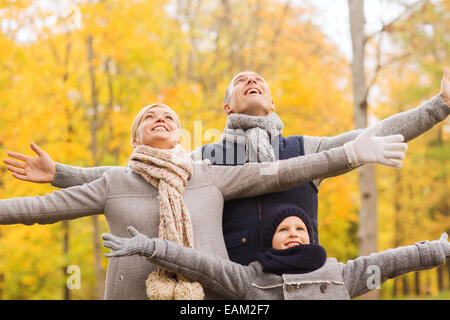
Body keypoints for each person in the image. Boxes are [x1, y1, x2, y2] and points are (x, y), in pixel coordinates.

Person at [4, 69, 449, 265]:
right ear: (226, 105)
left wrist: (440, 106)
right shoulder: (203, 159)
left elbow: (374, 135)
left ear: (273, 102)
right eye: (241, 82)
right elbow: (133, 179)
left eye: (259, 81)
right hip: (228, 283)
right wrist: (62, 173)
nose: (251, 82)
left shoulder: (305, 148)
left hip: (297, 274)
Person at [0, 103, 406, 300]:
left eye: (169, 117)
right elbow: (38, 210)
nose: (160, 118)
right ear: (135, 139)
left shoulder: (209, 174)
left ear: (181, 138)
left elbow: (283, 171)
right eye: (148, 116)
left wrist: (353, 153)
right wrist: (56, 175)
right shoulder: (114, 181)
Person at [102, 204, 450, 300]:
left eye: (300, 228)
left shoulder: (341, 274)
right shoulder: (250, 279)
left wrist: (438, 249)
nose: (293, 233)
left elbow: (389, 262)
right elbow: (200, 265)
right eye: (283, 230)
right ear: (270, 241)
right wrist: (152, 247)